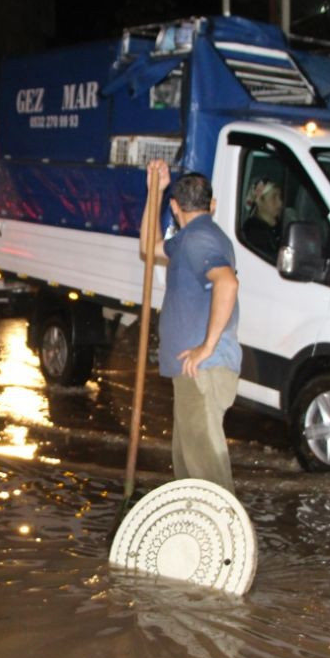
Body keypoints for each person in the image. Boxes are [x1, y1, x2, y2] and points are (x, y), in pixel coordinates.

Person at [140, 160, 241, 493]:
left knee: (207, 477)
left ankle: (230, 543)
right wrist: (154, 193)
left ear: (175, 206)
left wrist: (206, 347)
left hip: (203, 371)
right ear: (211, 205)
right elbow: (147, 248)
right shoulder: (188, 240)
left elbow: (226, 283)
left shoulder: (199, 240)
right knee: (189, 471)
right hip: (194, 372)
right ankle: (201, 541)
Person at [242, 177, 282, 258]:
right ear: (259, 201)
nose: (280, 203)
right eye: (274, 197)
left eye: (280, 197)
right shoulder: (253, 232)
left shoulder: (279, 226)